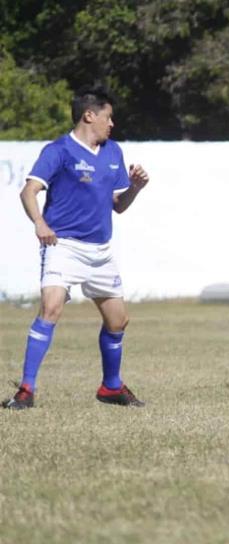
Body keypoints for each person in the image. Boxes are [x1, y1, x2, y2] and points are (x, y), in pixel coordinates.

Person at [3, 87, 150, 410]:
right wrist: (40, 224)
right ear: (89, 115)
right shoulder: (59, 151)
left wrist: (135, 189)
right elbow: (29, 192)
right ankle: (25, 390)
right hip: (63, 245)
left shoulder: (113, 152)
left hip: (100, 250)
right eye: (108, 117)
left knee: (118, 322)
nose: (112, 124)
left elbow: (118, 205)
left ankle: (111, 387)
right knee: (51, 308)